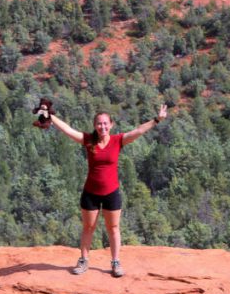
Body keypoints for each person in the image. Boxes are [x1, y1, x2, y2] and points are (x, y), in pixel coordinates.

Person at [45, 103, 168, 277]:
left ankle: (115, 262)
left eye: (105, 123)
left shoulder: (118, 141)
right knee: (88, 228)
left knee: (114, 228)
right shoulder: (88, 140)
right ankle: (84, 260)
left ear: (111, 125)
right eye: (99, 124)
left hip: (112, 193)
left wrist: (157, 120)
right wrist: (51, 117)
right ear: (95, 125)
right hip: (90, 193)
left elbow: (139, 131)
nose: (102, 127)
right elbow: (68, 130)